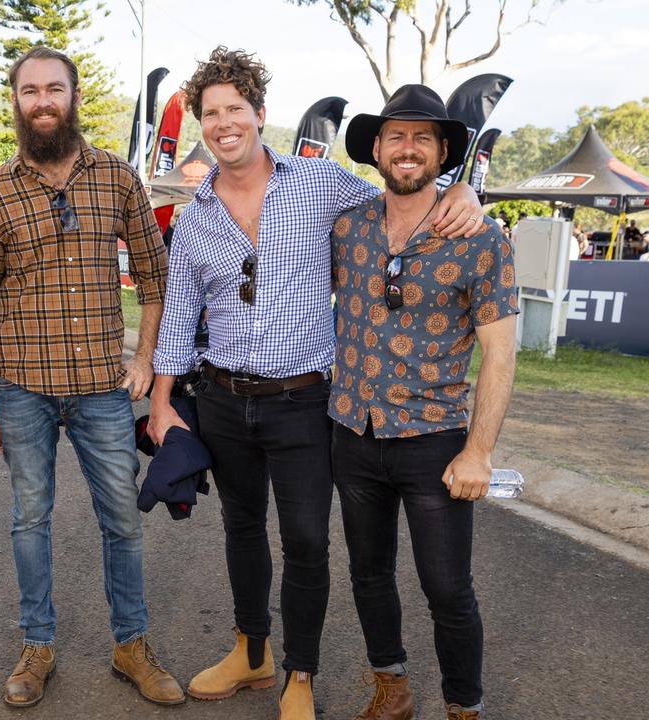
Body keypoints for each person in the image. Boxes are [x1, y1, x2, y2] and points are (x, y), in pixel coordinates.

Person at [147, 47, 486, 719]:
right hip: (219, 398)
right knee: (241, 528)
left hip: (303, 401)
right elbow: (181, 314)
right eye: (210, 114)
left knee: (305, 540)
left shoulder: (321, 183)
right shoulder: (194, 218)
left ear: (260, 115)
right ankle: (251, 653)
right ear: (201, 125)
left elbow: (401, 197)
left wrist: (459, 191)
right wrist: (161, 402)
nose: (222, 124)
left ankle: (298, 673)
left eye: (234, 110)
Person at [0, 46, 185, 708]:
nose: (41, 101)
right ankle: (37, 645)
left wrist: (143, 357)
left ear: (74, 96)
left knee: (120, 516)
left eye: (53, 88)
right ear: (16, 101)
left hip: (100, 386)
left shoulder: (117, 178)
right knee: (30, 517)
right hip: (19, 385)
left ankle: (131, 644)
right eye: (29, 90)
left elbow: (155, 276)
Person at [331, 84, 519, 720]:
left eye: (422, 138)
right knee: (368, 575)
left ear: (442, 152)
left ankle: (463, 707)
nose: (406, 149)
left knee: (447, 588)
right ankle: (393, 690)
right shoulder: (347, 227)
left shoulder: (481, 238)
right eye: (395, 136)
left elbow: (499, 355)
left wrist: (480, 453)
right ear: (376, 149)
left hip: (436, 439)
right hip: (351, 432)